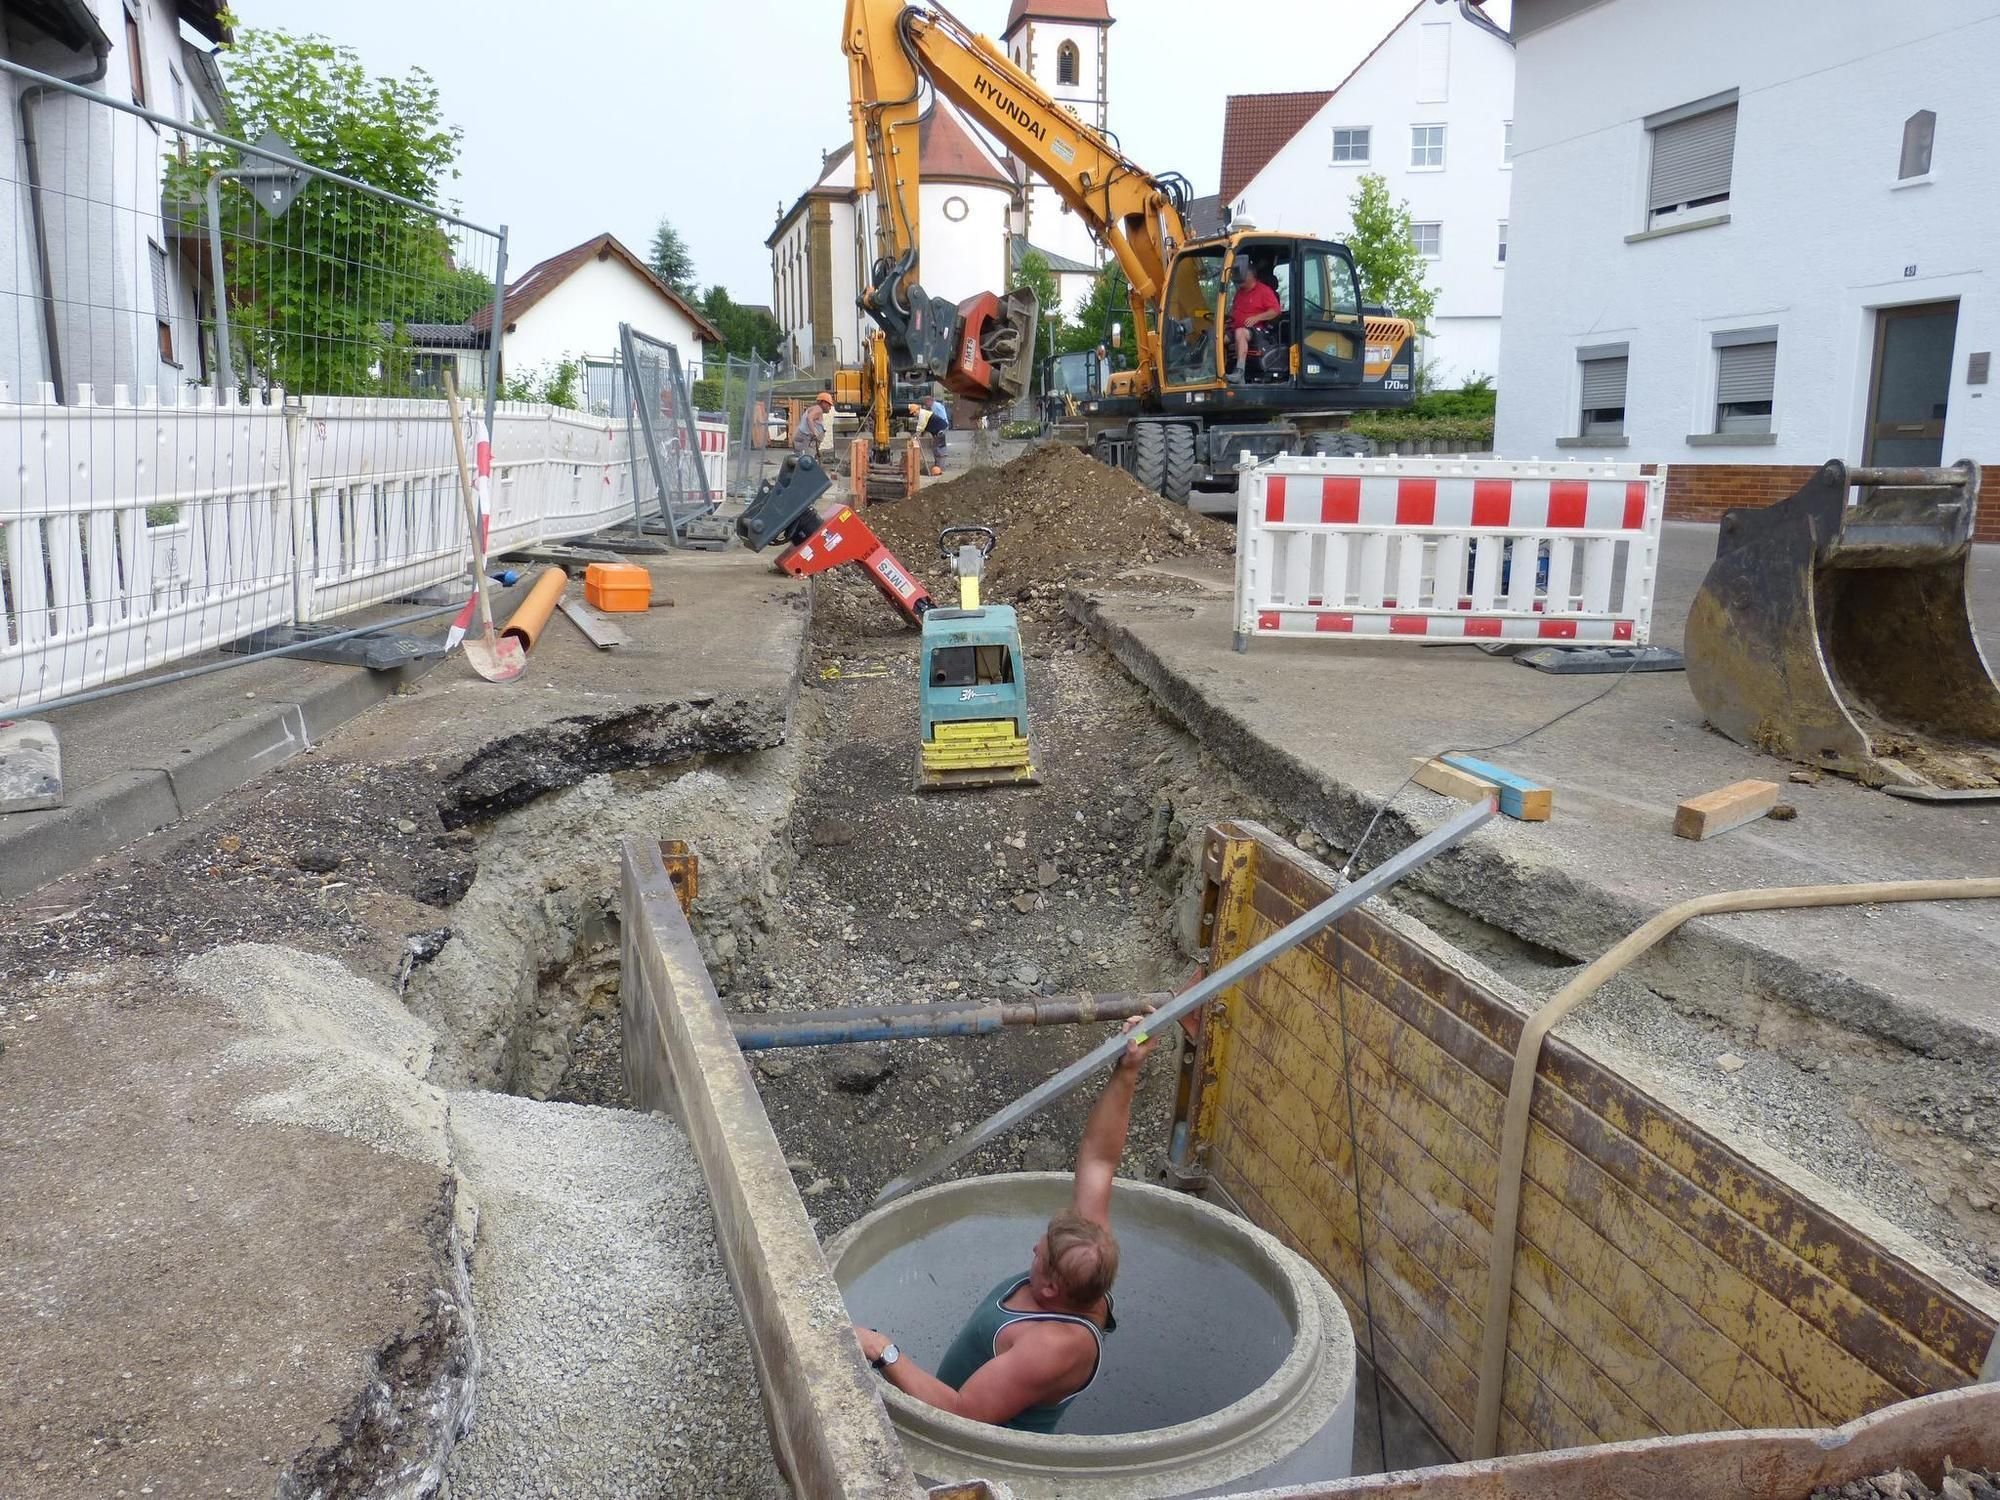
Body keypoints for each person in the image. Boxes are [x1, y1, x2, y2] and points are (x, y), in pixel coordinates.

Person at [854, 1013, 1157, 1431]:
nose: (1034, 1247)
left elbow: (961, 1414)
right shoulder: (1087, 1249)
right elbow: (1099, 1160)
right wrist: (1128, 1070)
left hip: (978, 1459)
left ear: (1051, 1287)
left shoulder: (1053, 1348)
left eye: (1042, 1254)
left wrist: (882, 1349)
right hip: (958, 1408)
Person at [1225, 257, 1281, 384]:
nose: (1238, 279)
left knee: (1240, 333)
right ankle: (1212, 370)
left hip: (1258, 330)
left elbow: (1275, 311)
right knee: (1216, 337)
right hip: (1236, 328)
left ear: (1250, 275)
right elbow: (1234, 310)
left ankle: (1239, 372)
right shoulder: (1240, 293)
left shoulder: (1264, 291)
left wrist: (1257, 318)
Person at [910, 397, 950, 475]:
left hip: (940, 430)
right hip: (938, 430)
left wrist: (915, 437)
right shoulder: (923, 413)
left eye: (914, 413)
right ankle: (938, 466)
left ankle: (940, 468)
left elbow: (920, 427)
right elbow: (923, 427)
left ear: (918, 410)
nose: (914, 415)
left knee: (939, 448)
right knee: (936, 448)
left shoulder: (922, 414)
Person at [795, 391, 833, 456]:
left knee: (802, 457)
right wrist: (814, 432)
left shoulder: (814, 409)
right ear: (823, 402)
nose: (830, 407)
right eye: (829, 404)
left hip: (805, 438)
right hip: (807, 439)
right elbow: (809, 418)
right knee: (807, 460)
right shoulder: (818, 409)